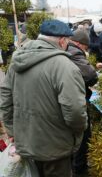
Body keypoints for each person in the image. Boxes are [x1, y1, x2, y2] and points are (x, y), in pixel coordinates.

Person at [0, 20, 88, 177]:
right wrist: (76, 136)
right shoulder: (65, 66)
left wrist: (11, 130)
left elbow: (5, 97)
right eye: (68, 41)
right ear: (62, 40)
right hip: (55, 147)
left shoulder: (17, 59)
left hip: (25, 141)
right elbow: (75, 110)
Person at [67, 29, 97, 176]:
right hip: (76, 101)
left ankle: (74, 168)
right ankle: (80, 171)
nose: (86, 50)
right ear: (79, 43)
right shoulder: (75, 51)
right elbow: (90, 75)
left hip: (64, 102)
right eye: (85, 47)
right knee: (83, 136)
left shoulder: (62, 49)